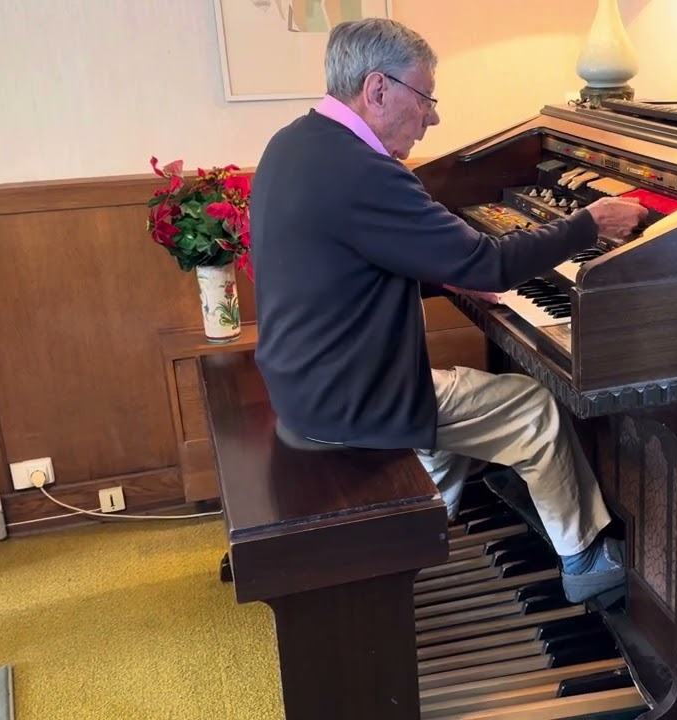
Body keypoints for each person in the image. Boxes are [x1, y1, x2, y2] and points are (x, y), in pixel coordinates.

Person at [248, 18, 647, 604]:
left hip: (303, 380)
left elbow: (349, 255)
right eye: (426, 97)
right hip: (351, 398)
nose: (431, 118)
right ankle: (584, 557)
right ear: (378, 89)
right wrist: (590, 222)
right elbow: (491, 264)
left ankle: (410, 547)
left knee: (449, 430)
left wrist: (443, 267)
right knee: (533, 408)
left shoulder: (294, 143)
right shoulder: (364, 172)